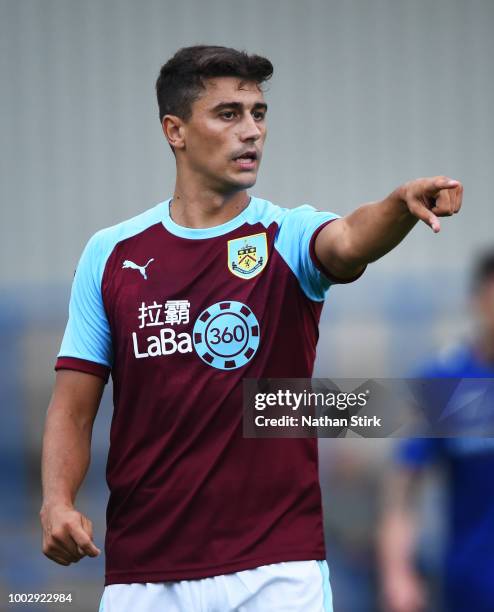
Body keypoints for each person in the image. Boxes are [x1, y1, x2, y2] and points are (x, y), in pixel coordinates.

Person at [40, 45, 463, 612]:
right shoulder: (111, 255)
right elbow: (73, 407)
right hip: (144, 572)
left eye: (258, 113)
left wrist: (397, 207)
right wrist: (56, 501)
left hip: (276, 569)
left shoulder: (285, 236)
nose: (251, 131)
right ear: (176, 130)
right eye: (228, 113)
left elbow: (349, 239)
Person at [378, 250, 494, 612]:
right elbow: (403, 488)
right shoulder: (445, 380)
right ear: (477, 301)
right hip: (471, 586)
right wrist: (397, 574)